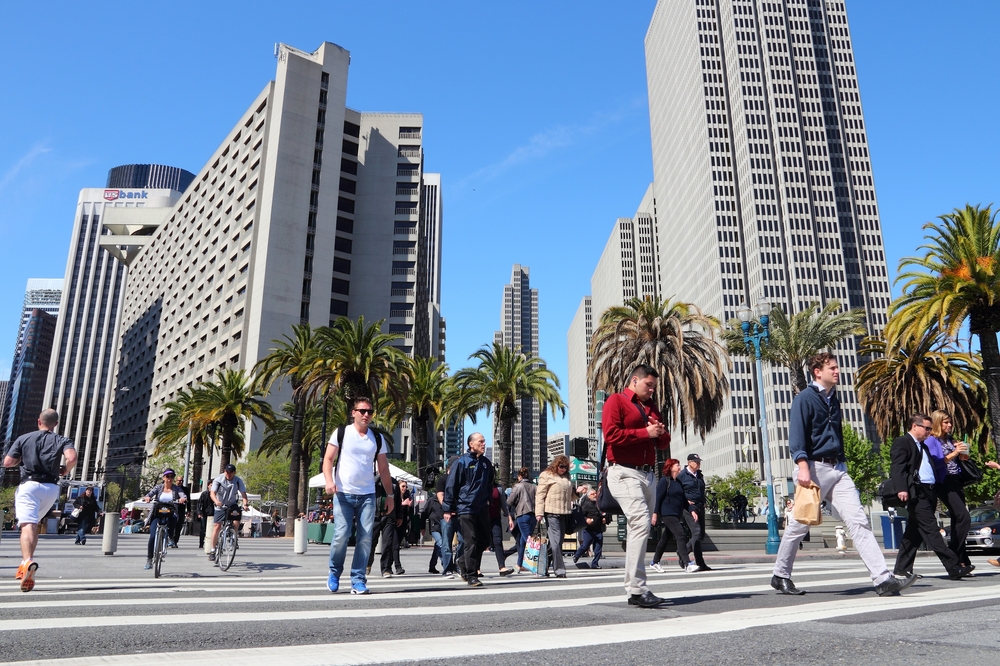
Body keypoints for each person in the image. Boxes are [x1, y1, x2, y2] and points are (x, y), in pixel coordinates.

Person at [772, 352, 915, 597]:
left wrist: (843, 464)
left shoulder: (834, 399)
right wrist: (802, 465)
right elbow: (797, 435)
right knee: (798, 526)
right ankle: (781, 575)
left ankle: (882, 579)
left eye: (837, 367)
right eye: (832, 368)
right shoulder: (804, 399)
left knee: (858, 520)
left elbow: (835, 435)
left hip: (838, 469)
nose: (837, 371)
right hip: (813, 468)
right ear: (817, 371)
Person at [602, 364, 671, 608]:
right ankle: (638, 588)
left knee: (640, 527)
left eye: (654, 386)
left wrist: (660, 432)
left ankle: (634, 590)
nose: (652, 390)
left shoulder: (651, 408)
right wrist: (646, 432)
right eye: (648, 385)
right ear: (634, 380)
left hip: (647, 475)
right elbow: (611, 435)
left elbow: (663, 442)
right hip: (623, 471)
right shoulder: (616, 401)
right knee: (641, 521)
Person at [322, 396, 394, 595]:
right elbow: (328, 459)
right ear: (353, 413)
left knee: (365, 539)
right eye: (362, 411)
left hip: (368, 495)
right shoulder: (342, 432)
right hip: (343, 493)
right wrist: (329, 481)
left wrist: (390, 495)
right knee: (341, 535)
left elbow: (384, 468)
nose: (366, 415)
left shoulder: (377, 438)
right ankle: (334, 573)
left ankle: (358, 580)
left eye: (370, 412)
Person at [3, 409, 77, 592]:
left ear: (39, 421)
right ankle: (28, 562)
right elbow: (72, 458)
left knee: (27, 526)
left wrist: (21, 458)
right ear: (56, 424)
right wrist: (65, 470)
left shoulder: (24, 438)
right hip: (51, 488)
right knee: (34, 524)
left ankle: (27, 561)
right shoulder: (62, 439)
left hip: (29, 485)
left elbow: (8, 462)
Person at [891, 414, 970, 580]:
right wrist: (901, 488)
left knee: (914, 533)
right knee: (931, 530)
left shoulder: (923, 446)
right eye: (926, 428)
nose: (928, 431)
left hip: (929, 491)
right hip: (916, 492)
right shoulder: (903, 442)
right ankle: (954, 566)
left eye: (929, 428)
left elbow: (933, 465)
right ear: (914, 426)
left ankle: (901, 568)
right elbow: (897, 467)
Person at [924, 410, 974, 573]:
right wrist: (955, 453)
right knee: (963, 517)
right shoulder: (932, 440)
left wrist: (963, 452)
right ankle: (954, 554)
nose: (949, 425)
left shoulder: (950, 439)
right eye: (946, 422)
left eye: (950, 422)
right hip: (943, 482)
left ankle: (962, 560)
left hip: (956, 479)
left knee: (956, 520)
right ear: (938, 422)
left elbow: (959, 459)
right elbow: (936, 463)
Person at [444, 432, 494, 587]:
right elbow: (451, 485)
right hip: (465, 508)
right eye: (481, 441)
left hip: (482, 508)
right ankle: (472, 575)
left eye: (484, 441)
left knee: (485, 540)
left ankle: (462, 561)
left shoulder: (486, 463)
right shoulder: (461, 462)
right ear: (471, 444)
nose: (484, 444)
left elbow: (490, 484)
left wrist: (488, 501)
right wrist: (448, 508)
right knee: (470, 541)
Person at [650, 458, 697, 573]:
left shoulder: (678, 483)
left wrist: (692, 511)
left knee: (665, 539)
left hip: (676, 514)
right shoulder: (664, 481)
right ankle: (687, 563)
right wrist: (655, 514)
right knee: (681, 535)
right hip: (667, 514)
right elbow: (658, 498)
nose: (679, 467)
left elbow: (684, 501)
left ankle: (655, 562)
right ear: (670, 467)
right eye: (677, 465)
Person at [535, 454, 574, 578]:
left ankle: (542, 568)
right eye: (561, 466)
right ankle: (560, 570)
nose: (563, 469)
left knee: (555, 544)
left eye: (566, 467)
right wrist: (539, 513)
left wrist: (577, 493)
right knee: (556, 543)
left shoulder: (567, 477)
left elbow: (569, 496)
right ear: (556, 465)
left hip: (564, 513)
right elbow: (540, 495)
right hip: (551, 512)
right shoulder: (546, 475)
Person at [140, 469, 188, 569]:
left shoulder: (176, 489)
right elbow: (149, 494)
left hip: (170, 512)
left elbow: (183, 495)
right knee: (152, 536)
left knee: (174, 518)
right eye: (167, 476)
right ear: (163, 478)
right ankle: (149, 559)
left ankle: (171, 537)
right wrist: (147, 498)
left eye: (171, 477)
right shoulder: (158, 487)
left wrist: (182, 499)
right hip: (157, 514)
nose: (169, 479)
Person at [208, 463, 249, 562]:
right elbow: (212, 493)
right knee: (217, 526)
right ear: (224, 471)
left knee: (237, 516)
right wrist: (216, 501)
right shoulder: (218, 480)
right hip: (220, 505)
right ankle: (213, 550)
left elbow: (243, 494)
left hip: (232, 504)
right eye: (227, 472)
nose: (228, 474)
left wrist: (245, 504)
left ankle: (234, 536)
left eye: (231, 472)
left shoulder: (238, 481)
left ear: (234, 473)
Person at [678, 453, 710, 571]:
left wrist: (703, 501)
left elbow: (701, 490)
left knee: (700, 535)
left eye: (699, 462)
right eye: (696, 462)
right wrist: (685, 501)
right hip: (689, 508)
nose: (698, 464)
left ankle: (700, 563)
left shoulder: (699, 475)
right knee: (696, 532)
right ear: (689, 462)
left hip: (700, 506)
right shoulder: (682, 475)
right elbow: (678, 491)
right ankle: (684, 553)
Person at [368, 476, 403, 577]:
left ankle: (386, 569)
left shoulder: (394, 482)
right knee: (371, 542)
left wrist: (399, 515)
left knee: (388, 543)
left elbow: (398, 500)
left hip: (389, 516)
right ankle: (368, 564)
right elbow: (370, 488)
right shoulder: (373, 480)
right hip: (375, 515)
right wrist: (379, 477)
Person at [436, 456, 463, 578]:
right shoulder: (443, 479)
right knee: (446, 543)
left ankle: (457, 564)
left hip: (460, 514)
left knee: (462, 541)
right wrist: (446, 509)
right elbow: (440, 495)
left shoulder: (461, 479)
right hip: (447, 515)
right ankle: (447, 568)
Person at [506, 466, 537, 573]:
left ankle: (534, 565)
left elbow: (509, 501)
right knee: (523, 540)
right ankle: (519, 564)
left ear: (519, 476)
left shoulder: (518, 486)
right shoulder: (534, 487)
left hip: (522, 514)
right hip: (533, 515)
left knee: (528, 540)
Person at [487, 477, 514, 576]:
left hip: (495, 518)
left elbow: (504, 504)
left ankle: (502, 567)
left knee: (498, 542)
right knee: (481, 543)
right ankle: (476, 568)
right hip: (483, 519)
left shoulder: (498, 488)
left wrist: (509, 518)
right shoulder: (480, 486)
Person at [573, 487, 605, 569]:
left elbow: (601, 514)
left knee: (598, 548)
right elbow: (581, 515)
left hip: (598, 529)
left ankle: (595, 564)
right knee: (585, 546)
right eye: (592, 494)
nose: (595, 495)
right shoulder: (586, 504)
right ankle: (577, 555)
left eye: (595, 494)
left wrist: (604, 519)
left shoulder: (598, 503)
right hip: (589, 530)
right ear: (588, 496)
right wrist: (586, 519)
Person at [422, 484, 444, 573]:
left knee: (437, 546)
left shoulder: (447, 500)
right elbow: (424, 513)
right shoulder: (432, 501)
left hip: (443, 527)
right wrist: (422, 527)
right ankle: (447, 564)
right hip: (434, 527)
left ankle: (432, 566)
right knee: (441, 544)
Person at [171, 474, 190, 547]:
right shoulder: (172, 488)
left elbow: (188, 499)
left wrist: (189, 510)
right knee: (172, 524)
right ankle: (170, 539)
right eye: (179, 480)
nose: (180, 482)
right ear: (176, 481)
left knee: (179, 526)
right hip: (173, 508)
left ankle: (175, 541)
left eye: (181, 481)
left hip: (181, 509)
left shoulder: (185, 489)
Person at [397, 480, 413, 550]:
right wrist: (403, 504)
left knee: (398, 542)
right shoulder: (395, 496)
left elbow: (410, 511)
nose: (405, 488)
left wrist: (409, 505)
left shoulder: (407, 496)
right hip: (395, 521)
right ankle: (396, 561)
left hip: (404, 521)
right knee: (394, 544)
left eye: (406, 486)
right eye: (403, 486)